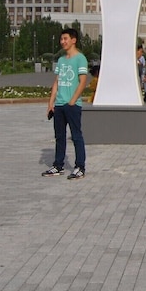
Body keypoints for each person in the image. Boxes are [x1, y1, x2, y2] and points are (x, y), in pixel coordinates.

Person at [42, 28, 89, 180]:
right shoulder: (61, 60)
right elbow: (56, 82)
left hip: (72, 105)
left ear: (73, 40)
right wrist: (51, 103)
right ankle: (58, 165)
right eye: (61, 39)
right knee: (59, 136)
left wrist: (73, 101)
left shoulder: (80, 58)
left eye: (65, 39)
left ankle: (80, 167)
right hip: (59, 105)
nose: (63, 42)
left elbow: (83, 81)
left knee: (76, 136)